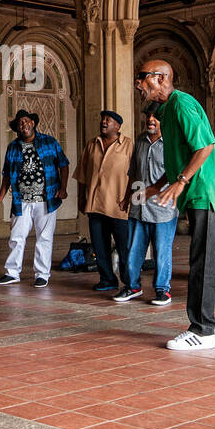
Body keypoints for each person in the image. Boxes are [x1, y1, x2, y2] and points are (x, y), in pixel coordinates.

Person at [138, 60, 215, 351]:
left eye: (143, 78)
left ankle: (202, 329)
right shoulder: (167, 110)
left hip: (205, 190)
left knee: (201, 258)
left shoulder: (182, 104)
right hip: (198, 190)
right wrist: (159, 184)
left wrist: (180, 182)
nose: (139, 84)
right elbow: (181, 154)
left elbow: (205, 147)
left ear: (161, 78)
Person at [0, 108, 69, 288]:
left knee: (44, 238)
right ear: (17, 128)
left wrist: (63, 188)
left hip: (45, 199)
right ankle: (12, 273)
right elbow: (7, 175)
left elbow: (63, 164)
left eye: (26, 121)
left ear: (33, 123)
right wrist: (0, 196)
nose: (23, 125)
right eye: (19, 123)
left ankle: (42, 274)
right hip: (21, 199)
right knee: (16, 237)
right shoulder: (13, 147)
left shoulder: (49, 142)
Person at [118, 102, 178, 305]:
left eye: (156, 117)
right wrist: (127, 197)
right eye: (148, 116)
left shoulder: (171, 142)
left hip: (163, 207)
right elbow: (132, 173)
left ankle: (163, 290)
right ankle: (132, 286)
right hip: (138, 206)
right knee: (133, 249)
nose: (151, 120)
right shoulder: (141, 141)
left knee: (162, 250)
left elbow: (175, 175)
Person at [76, 109, 133, 293]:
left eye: (108, 120)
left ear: (118, 126)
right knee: (100, 247)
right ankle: (107, 279)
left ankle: (129, 282)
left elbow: (137, 175)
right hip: (95, 204)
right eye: (103, 119)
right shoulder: (92, 145)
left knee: (125, 248)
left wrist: (134, 200)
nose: (104, 122)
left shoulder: (129, 145)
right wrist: (81, 198)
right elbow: (82, 174)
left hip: (119, 205)